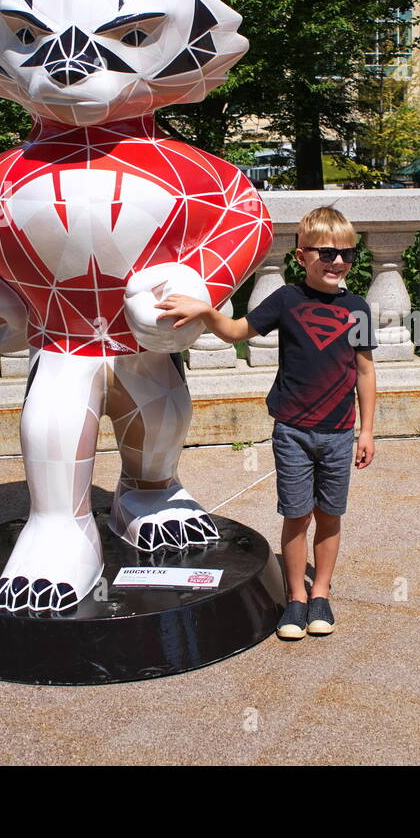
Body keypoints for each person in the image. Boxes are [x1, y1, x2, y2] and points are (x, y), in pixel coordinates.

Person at [155, 206, 377, 640]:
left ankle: (322, 595)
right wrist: (204, 310)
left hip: (338, 432)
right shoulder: (287, 300)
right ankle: (296, 596)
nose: (337, 262)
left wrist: (366, 430)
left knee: (330, 516)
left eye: (348, 254)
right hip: (292, 430)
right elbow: (236, 332)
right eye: (327, 253)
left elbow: (365, 371)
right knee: (296, 516)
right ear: (301, 256)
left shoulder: (358, 308)